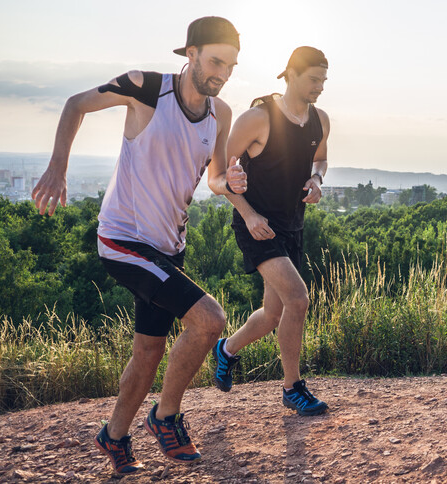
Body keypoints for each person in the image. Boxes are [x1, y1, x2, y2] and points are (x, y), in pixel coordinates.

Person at [31, 17, 243, 474]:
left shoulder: (219, 114)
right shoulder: (146, 87)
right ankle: (165, 417)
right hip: (124, 239)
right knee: (210, 321)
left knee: (148, 352)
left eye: (231, 65)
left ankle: (114, 436)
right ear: (190, 53)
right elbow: (75, 104)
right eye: (215, 61)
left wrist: (232, 180)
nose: (223, 74)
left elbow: (216, 177)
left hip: (169, 245)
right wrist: (58, 168)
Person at [207, 46, 330, 416]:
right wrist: (246, 214)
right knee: (298, 299)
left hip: (293, 224)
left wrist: (317, 178)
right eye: (313, 79)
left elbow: (320, 157)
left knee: (272, 314)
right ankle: (292, 388)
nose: (320, 87)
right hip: (256, 225)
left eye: (324, 80)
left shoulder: (320, 119)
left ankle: (225, 350)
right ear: (290, 74)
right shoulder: (257, 119)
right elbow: (216, 175)